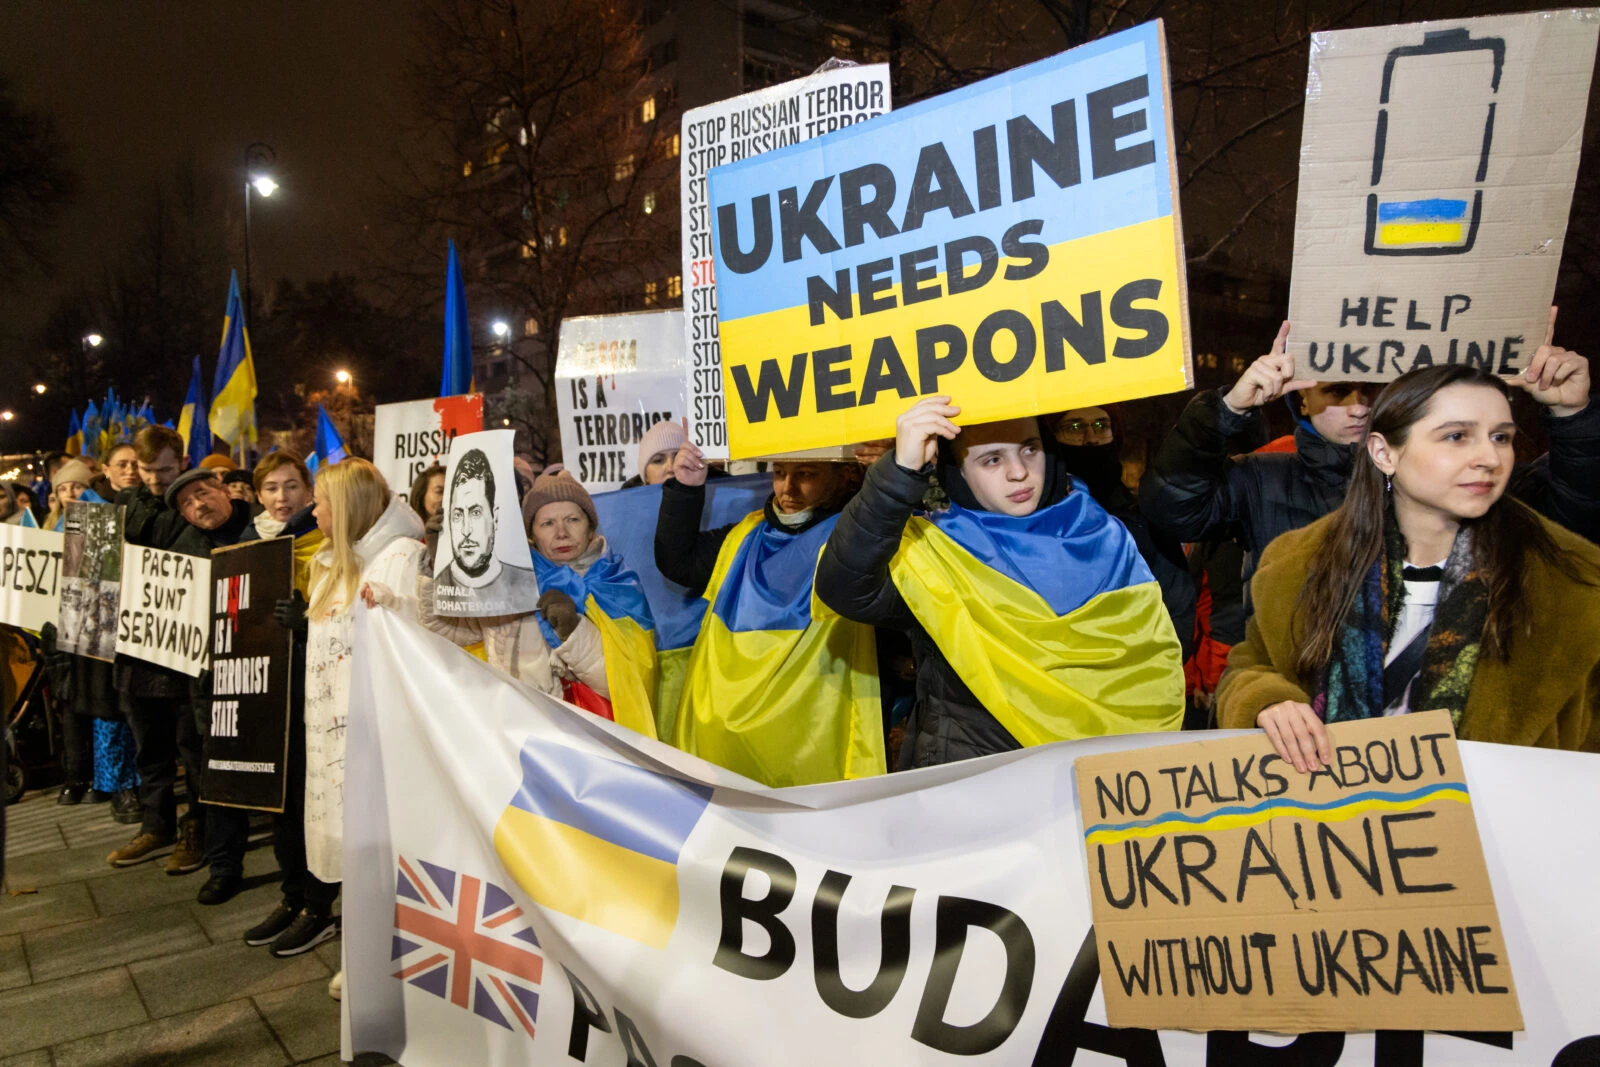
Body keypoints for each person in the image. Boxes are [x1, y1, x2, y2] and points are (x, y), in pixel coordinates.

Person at [1218, 364, 1600, 766]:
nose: (1489, 457)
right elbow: (1250, 667)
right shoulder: (1299, 565)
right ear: (1384, 453)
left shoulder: (1569, 584)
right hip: (1337, 819)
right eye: (1456, 436)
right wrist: (1268, 702)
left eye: (1500, 437)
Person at [816, 397, 1186, 768]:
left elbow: (1153, 660)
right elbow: (845, 588)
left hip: (1100, 778)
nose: (1019, 472)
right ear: (957, 471)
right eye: (992, 459)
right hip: (979, 781)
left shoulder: (1108, 538)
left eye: (1030, 449)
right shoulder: (935, 550)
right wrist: (899, 473)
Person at [1140, 317, 1600, 612]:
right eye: (1338, 391)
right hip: (1300, 709)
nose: (1360, 406)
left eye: (1374, 390)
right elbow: (1171, 509)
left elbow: (1574, 521)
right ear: (1302, 397)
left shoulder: (1461, 477)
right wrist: (1228, 410)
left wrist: (1572, 417)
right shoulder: (1264, 477)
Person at [655, 440, 883, 786]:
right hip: (729, 749)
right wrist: (685, 490)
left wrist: (885, 478)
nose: (787, 489)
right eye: (779, 473)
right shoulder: (745, 533)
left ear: (843, 477)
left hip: (813, 746)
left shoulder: (856, 538)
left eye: (805, 474)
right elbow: (678, 561)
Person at [305, 458, 426, 1000]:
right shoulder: (333, 560)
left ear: (349, 508)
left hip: (380, 730)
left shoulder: (400, 559)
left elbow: (419, 635)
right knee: (359, 848)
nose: (314, 509)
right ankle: (364, 954)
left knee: (385, 846)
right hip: (336, 729)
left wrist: (397, 606)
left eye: (322, 500)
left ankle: (390, 960)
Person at [418, 470, 659, 734]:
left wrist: (573, 630)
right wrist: (439, 567)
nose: (562, 533)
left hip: (583, 742)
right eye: (547, 524)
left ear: (591, 527)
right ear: (531, 533)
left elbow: (627, 685)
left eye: (573, 519)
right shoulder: (506, 579)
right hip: (510, 733)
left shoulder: (617, 584)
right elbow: (447, 631)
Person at [229, 452, 337, 955]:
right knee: (281, 805)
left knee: (312, 800)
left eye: (291, 486)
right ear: (256, 494)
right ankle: (292, 895)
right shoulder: (247, 548)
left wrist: (308, 624)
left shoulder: (330, 544)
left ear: (310, 489)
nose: (281, 497)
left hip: (314, 696)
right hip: (266, 693)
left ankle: (321, 905)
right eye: (270, 487)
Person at [106, 426, 205, 872]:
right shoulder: (121, 508)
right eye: (146, 470)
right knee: (151, 746)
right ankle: (156, 823)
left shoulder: (196, 504)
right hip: (136, 651)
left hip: (184, 654)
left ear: (181, 463)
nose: (154, 479)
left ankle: (197, 829)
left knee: (192, 748)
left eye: (164, 470)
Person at [159, 468, 255, 904]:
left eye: (202, 494)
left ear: (223, 490)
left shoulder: (262, 528)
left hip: (266, 669)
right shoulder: (181, 552)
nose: (198, 506)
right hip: (211, 682)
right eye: (186, 504)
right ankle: (223, 867)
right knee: (217, 778)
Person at [431, 449, 540, 613]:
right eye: (458, 514)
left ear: (495, 516)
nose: (466, 530)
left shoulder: (535, 572)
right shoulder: (439, 578)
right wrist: (434, 561)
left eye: (476, 513)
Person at [620, 419, 687, 489]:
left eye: (678, 458)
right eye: (658, 460)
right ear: (646, 477)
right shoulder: (626, 499)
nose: (671, 468)